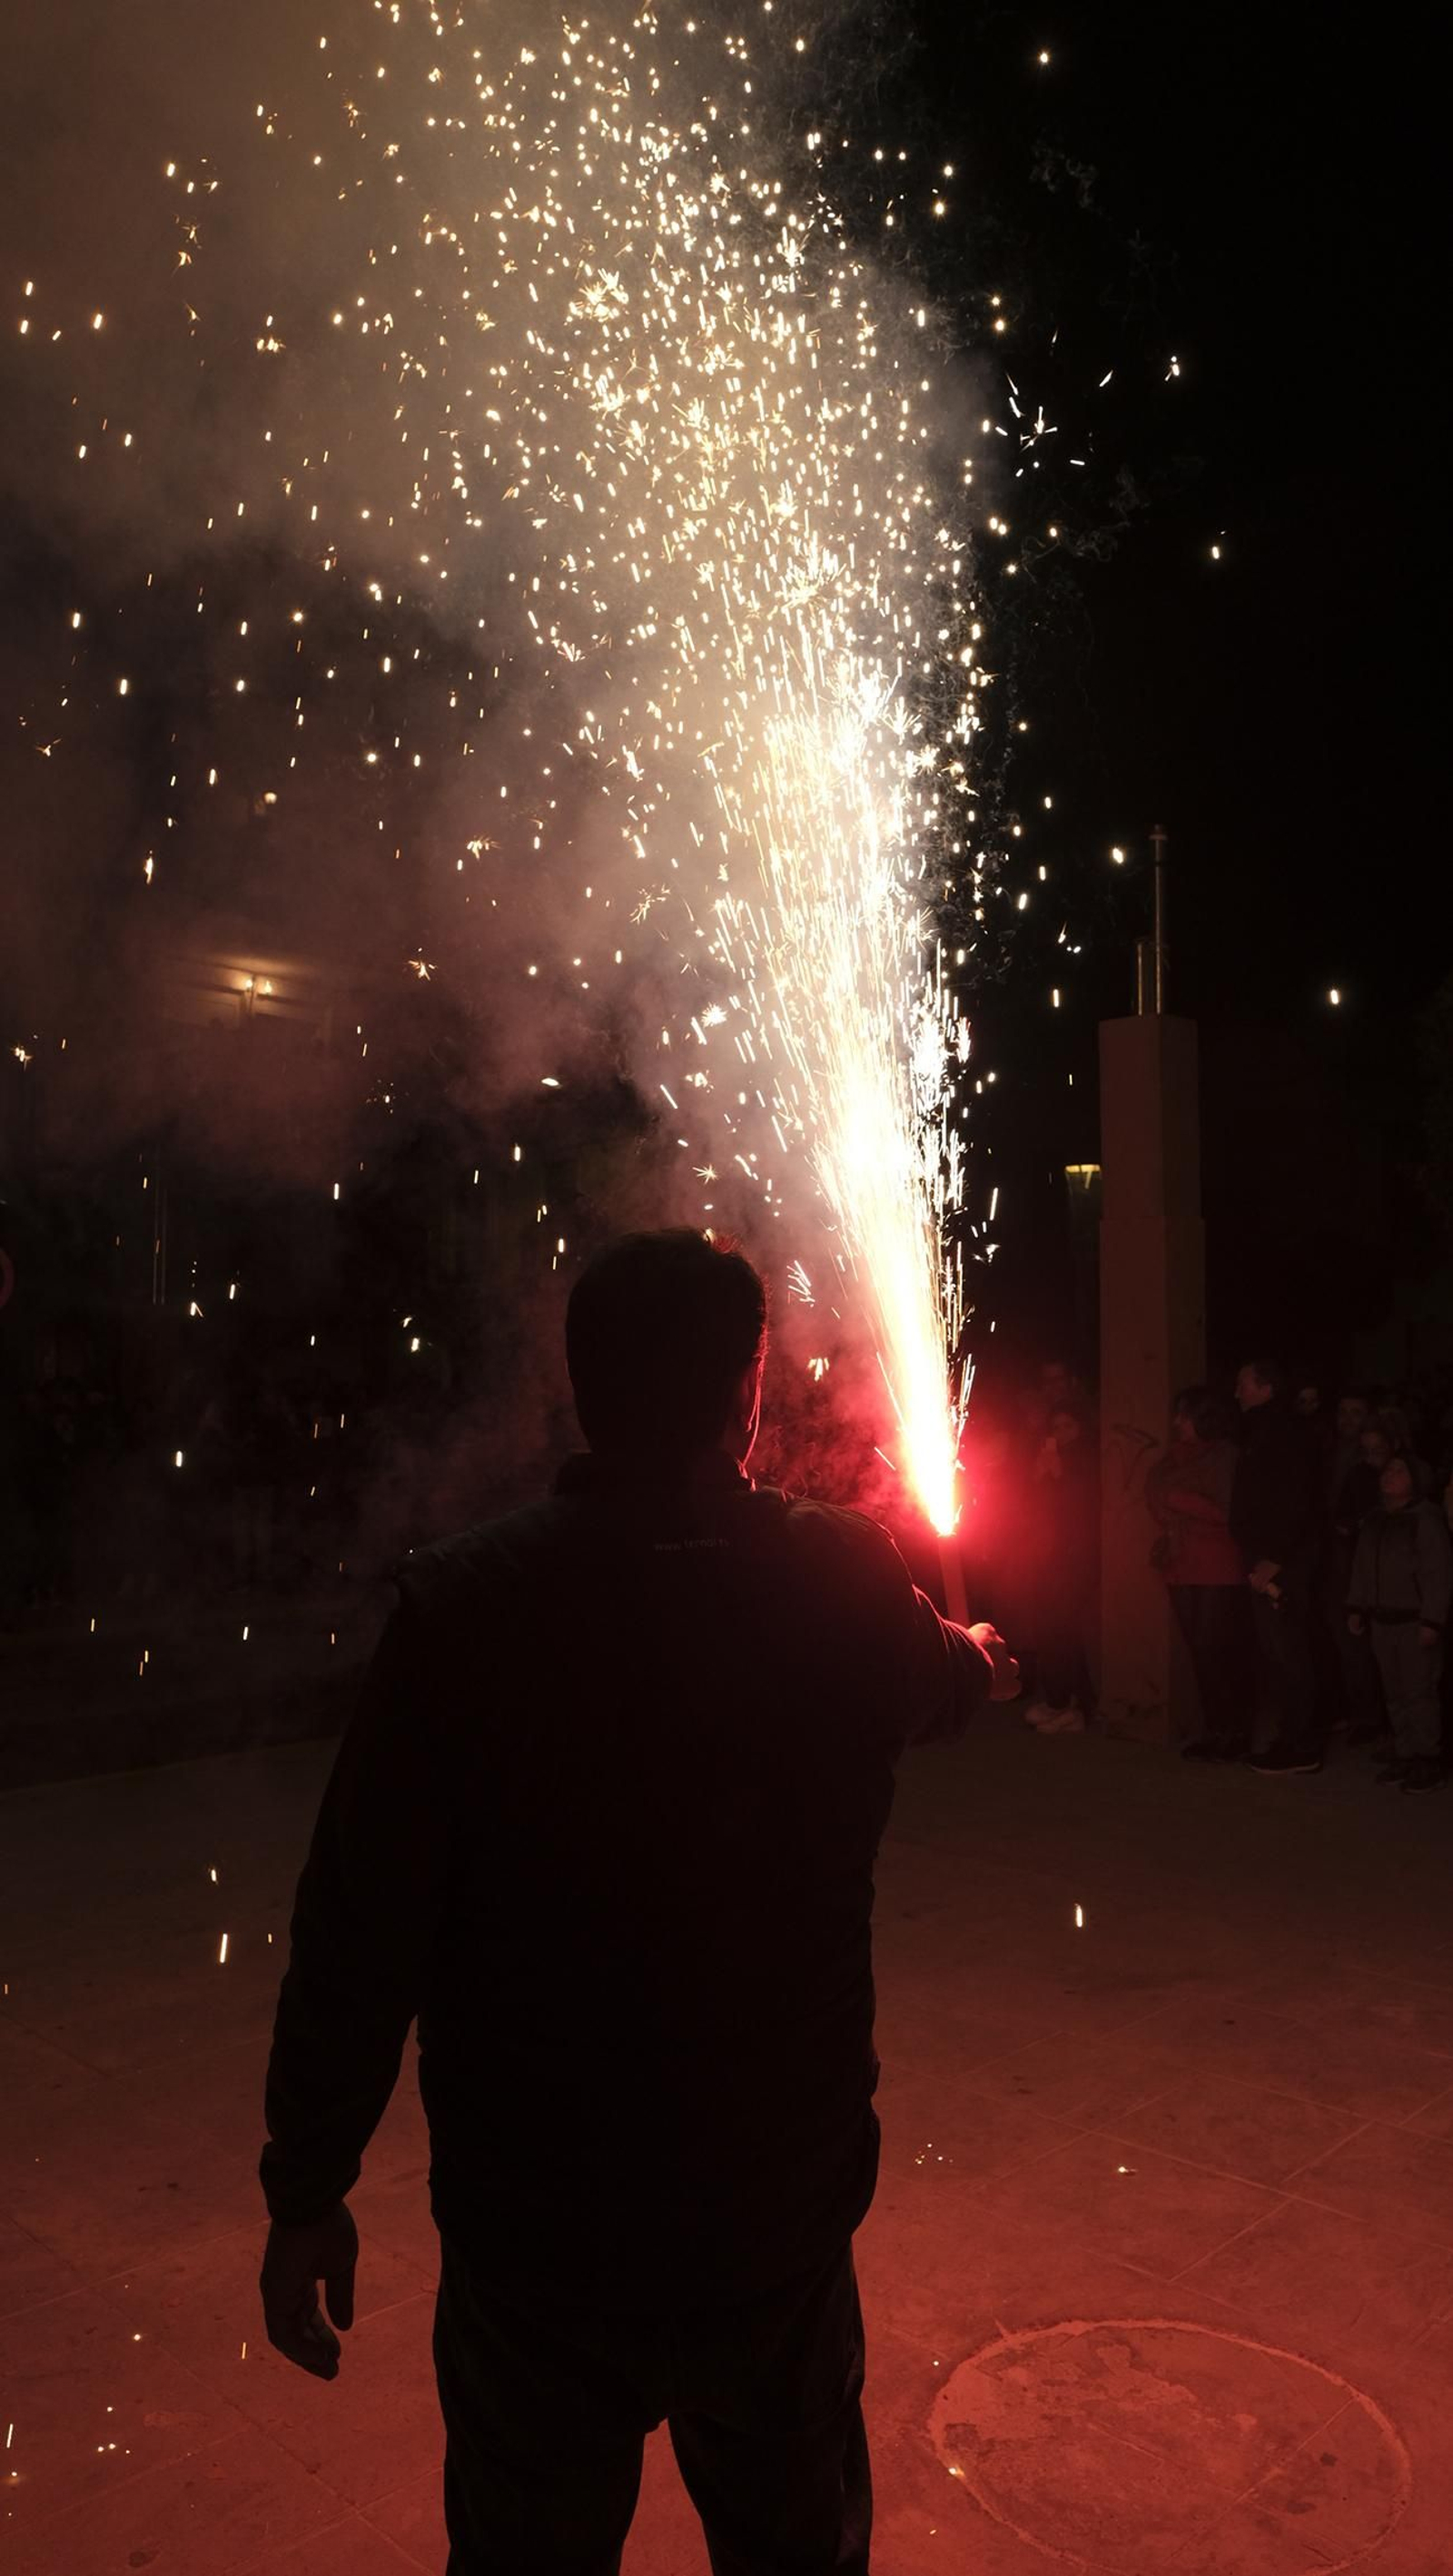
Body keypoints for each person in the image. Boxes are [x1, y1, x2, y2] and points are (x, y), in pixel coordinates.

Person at [257, 1229, 1018, 2576]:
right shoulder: (840, 1575)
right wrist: (973, 1654)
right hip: (769, 2213)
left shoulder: (468, 1607)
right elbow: (943, 1684)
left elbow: (358, 1923)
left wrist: (308, 2181)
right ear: (749, 1389)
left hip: (538, 2227)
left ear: (583, 1389)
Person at [1145, 1387, 1252, 1761]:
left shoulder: (1225, 1456)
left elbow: (1228, 1512)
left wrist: (1175, 1500)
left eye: (1184, 1415)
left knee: (1216, 1649)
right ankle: (1216, 1729)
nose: (1177, 1423)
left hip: (1217, 1565)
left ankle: (1234, 1731)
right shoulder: (1176, 1457)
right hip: (1182, 1562)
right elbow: (1153, 1494)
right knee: (1200, 1652)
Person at [1231, 1357, 1325, 1775]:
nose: (1237, 1393)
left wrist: (1276, 1557)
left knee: (1287, 1650)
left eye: (1244, 1385)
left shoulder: (1283, 1432)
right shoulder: (1264, 1431)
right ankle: (1292, 1737)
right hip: (1265, 1557)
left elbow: (1296, 1498)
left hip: (1279, 1562)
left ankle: (1301, 1744)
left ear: (1266, 1388)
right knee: (1277, 1650)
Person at [1347, 1456, 1453, 1793]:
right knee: (1394, 1691)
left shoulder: (1425, 1520)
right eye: (1387, 1470)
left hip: (1413, 1619)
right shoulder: (1375, 1520)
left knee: (1419, 1691)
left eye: (1399, 1471)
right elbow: (1362, 1566)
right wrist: (1357, 1605)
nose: (1390, 1476)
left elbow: (1438, 1573)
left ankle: (1427, 1758)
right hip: (1383, 1619)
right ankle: (1405, 1751)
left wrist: (1432, 1619)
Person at [1020, 1402, 1097, 1733]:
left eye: (1068, 1426)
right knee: (1051, 1629)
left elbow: (1080, 1507)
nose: (1060, 1434)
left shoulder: (1084, 1461)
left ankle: (1072, 1704)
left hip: (1073, 1558)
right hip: (1048, 1557)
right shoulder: (1052, 1460)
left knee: (1064, 1630)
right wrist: (1040, 1475)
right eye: (1056, 1427)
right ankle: (1061, 1700)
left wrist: (1058, 1474)